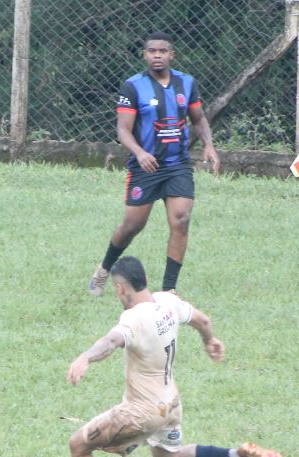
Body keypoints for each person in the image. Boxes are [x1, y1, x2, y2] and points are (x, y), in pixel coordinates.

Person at [62, 256, 287, 457]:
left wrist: (85, 357)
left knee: (78, 445)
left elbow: (111, 341)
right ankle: (237, 455)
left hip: (141, 412)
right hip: (170, 405)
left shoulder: (133, 318)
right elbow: (203, 321)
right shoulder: (167, 301)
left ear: (121, 288)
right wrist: (210, 340)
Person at [88, 32, 219, 297]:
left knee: (181, 219)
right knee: (132, 226)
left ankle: (169, 291)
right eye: (152, 51)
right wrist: (139, 153)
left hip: (177, 164)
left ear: (172, 55)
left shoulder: (186, 83)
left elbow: (198, 118)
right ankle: (104, 268)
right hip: (145, 167)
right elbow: (123, 129)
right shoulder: (133, 86)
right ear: (145, 55)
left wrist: (209, 145)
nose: (157, 55)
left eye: (162, 51)